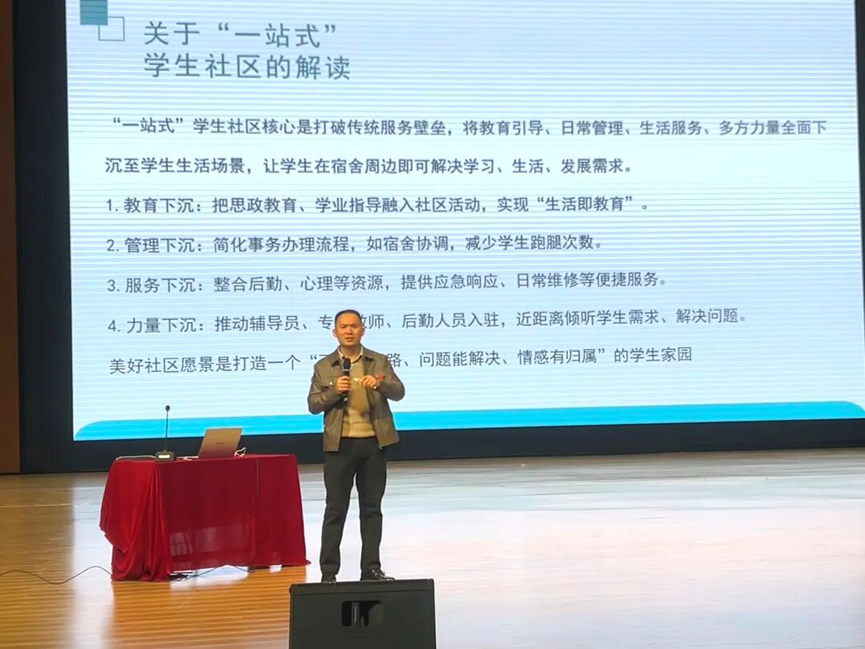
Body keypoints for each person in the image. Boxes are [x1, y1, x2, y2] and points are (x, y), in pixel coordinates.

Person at [307, 309, 405, 583]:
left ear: (363, 330)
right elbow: (313, 405)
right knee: (335, 510)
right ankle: (328, 572)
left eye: (354, 326)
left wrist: (381, 386)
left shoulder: (379, 361)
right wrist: (333, 391)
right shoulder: (324, 366)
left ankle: (371, 569)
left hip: (375, 444)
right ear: (334, 332)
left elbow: (399, 392)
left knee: (371, 509)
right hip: (339, 446)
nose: (349, 331)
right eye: (343, 327)